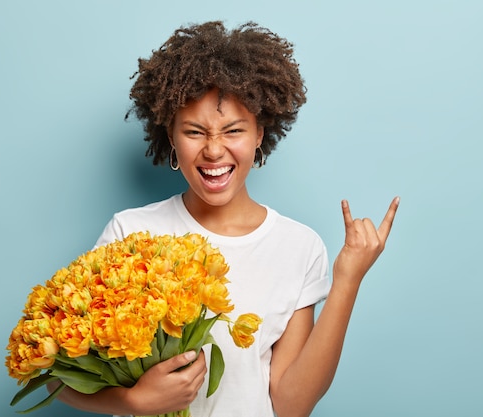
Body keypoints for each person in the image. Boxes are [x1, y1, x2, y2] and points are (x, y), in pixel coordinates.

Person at [49, 20, 399, 417]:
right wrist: (134, 401)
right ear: (171, 136)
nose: (214, 151)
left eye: (233, 130)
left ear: (260, 134)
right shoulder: (130, 232)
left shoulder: (299, 247)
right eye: (195, 131)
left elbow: (290, 406)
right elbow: (56, 374)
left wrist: (347, 281)